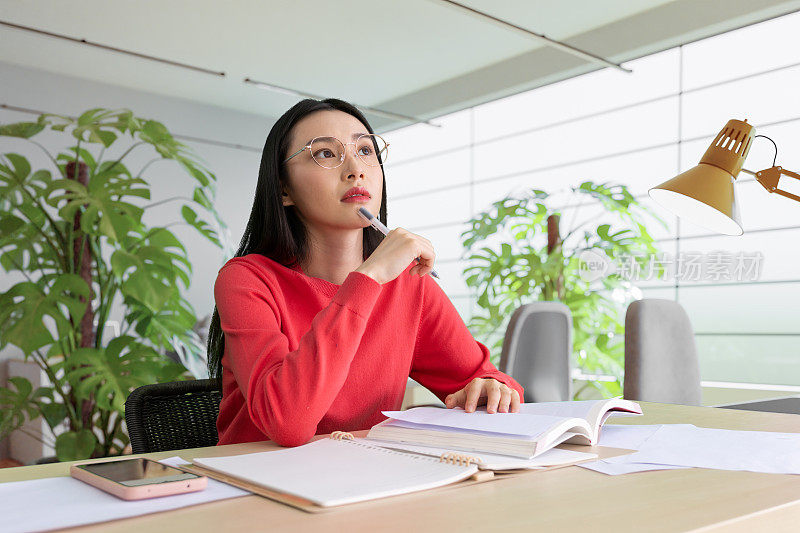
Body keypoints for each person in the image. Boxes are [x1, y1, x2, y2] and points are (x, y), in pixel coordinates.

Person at [207, 98, 523, 447]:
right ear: (284, 189)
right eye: (325, 153)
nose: (356, 168)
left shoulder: (409, 286)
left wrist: (493, 389)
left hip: (364, 485)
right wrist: (369, 279)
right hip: (253, 486)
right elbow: (287, 422)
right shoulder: (247, 280)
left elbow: (483, 378)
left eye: (366, 150)